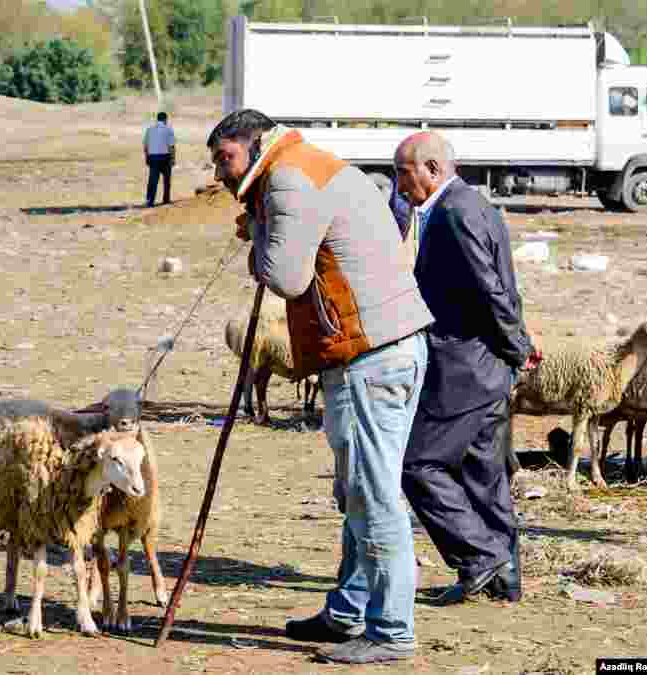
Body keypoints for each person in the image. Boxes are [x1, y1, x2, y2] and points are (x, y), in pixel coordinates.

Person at [209, 108, 434, 665]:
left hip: (368, 354)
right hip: (390, 347)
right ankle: (348, 610)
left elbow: (285, 275)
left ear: (255, 144)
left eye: (225, 158)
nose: (218, 174)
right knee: (361, 487)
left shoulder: (287, 178)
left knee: (372, 492)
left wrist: (260, 230)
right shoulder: (314, 166)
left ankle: (390, 631)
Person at [394, 131, 540, 607]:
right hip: (487, 366)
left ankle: (480, 558)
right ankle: (504, 580)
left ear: (431, 169)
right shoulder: (471, 204)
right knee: (485, 476)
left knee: (417, 465)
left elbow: (489, 289)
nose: (398, 184)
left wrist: (518, 346)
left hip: (465, 368)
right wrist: (514, 348)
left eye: (402, 171)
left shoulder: (454, 212)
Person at [143, 111, 175, 207]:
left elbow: (145, 146)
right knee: (166, 180)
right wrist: (173, 159)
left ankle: (150, 200)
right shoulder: (168, 130)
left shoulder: (149, 129)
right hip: (165, 157)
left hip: (152, 157)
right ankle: (166, 199)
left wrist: (147, 157)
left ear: (157, 119)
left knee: (152, 180)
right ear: (165, 119)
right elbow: (171, 146)